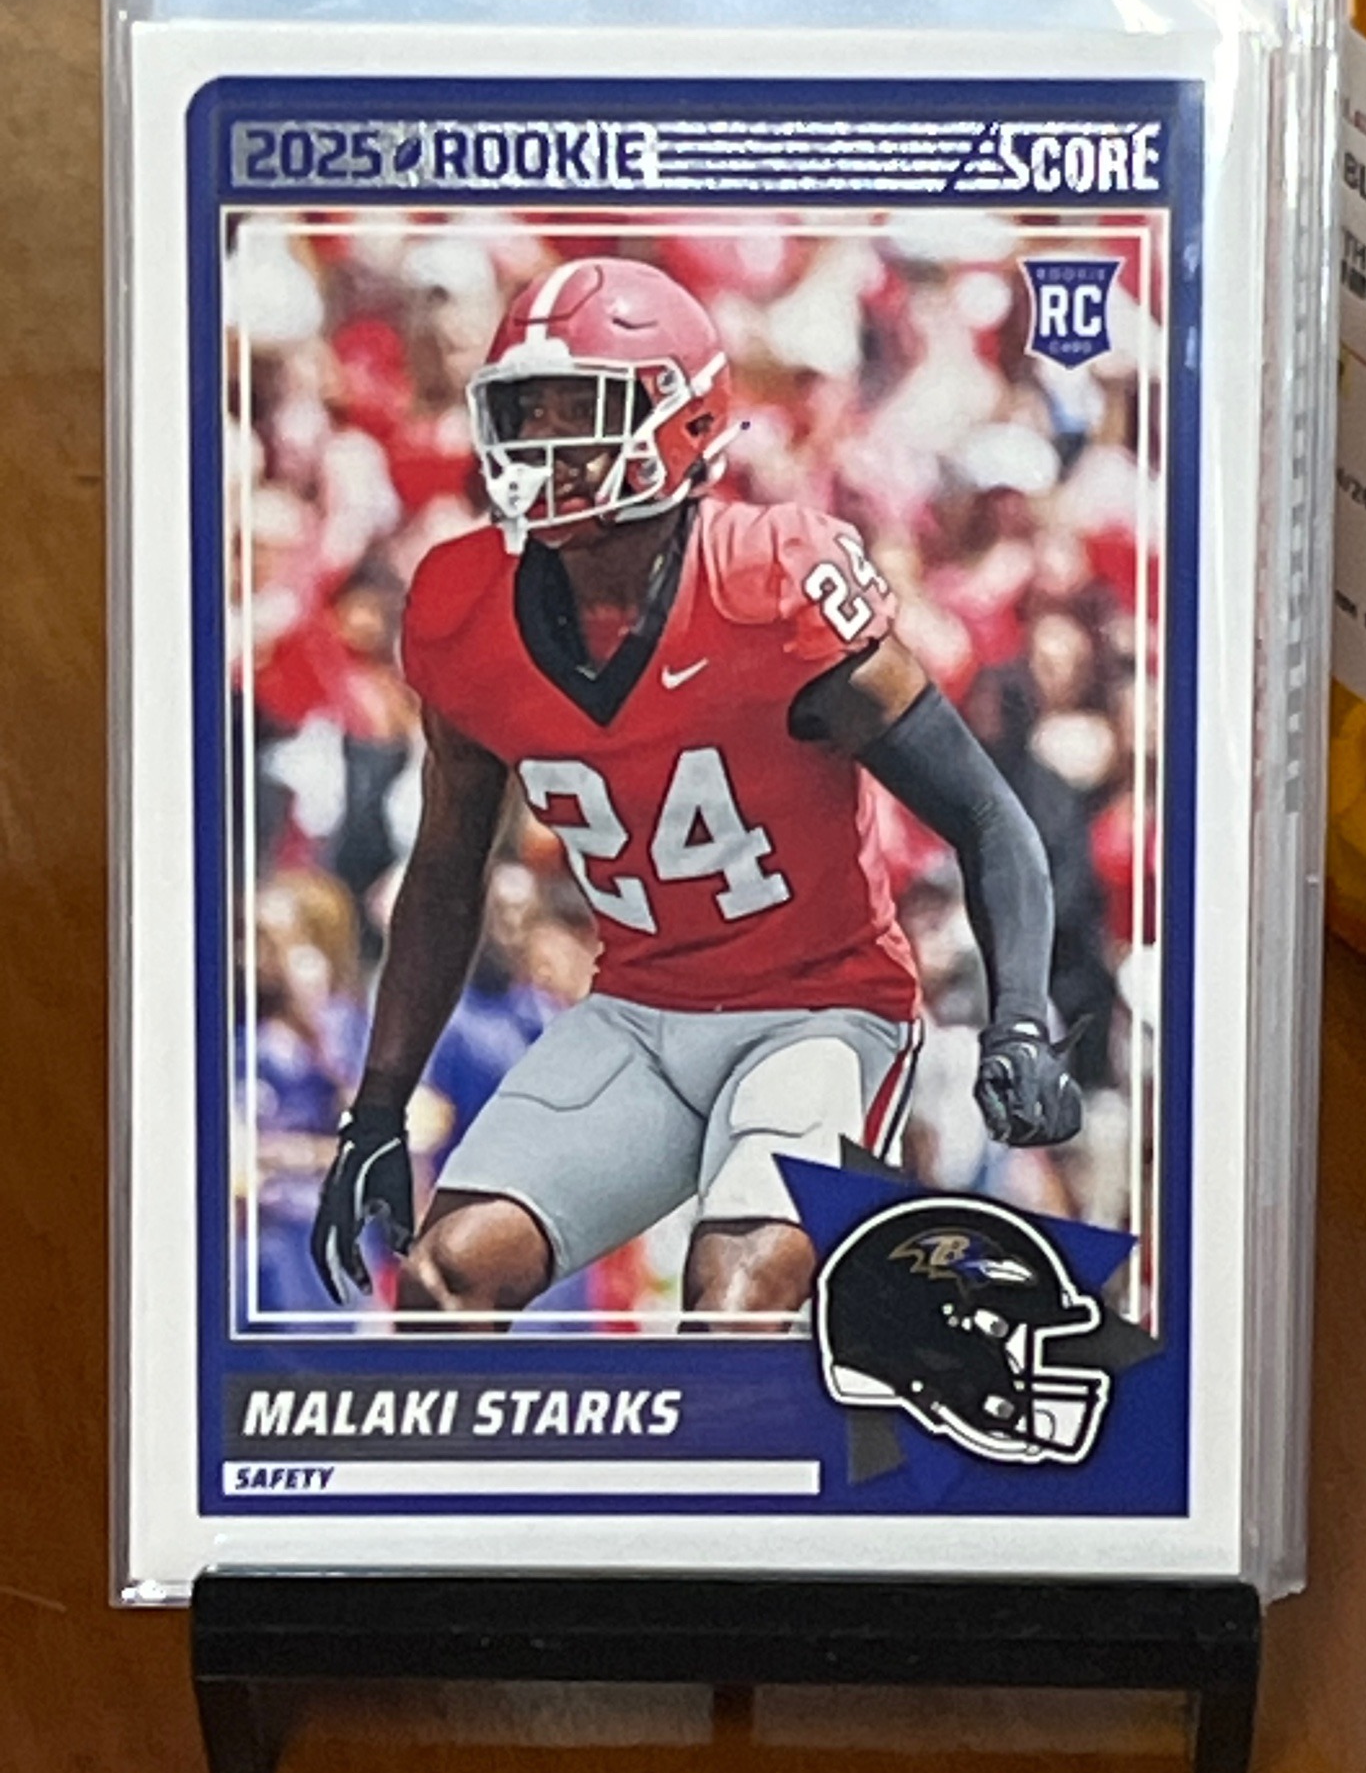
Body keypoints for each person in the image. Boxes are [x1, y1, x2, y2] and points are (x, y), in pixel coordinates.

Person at [310, 256, 1082, 1323]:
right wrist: (378, 1106)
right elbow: (446, 870)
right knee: (445, 1279)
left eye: (580, 410)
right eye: (529, 410)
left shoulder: (772, 580)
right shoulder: (461, 603)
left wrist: (1022, 1021)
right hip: (638, 1006)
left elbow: (986, 813)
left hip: (822, 1008)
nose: (545, 441)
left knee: (735, 1299)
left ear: (682, 420)